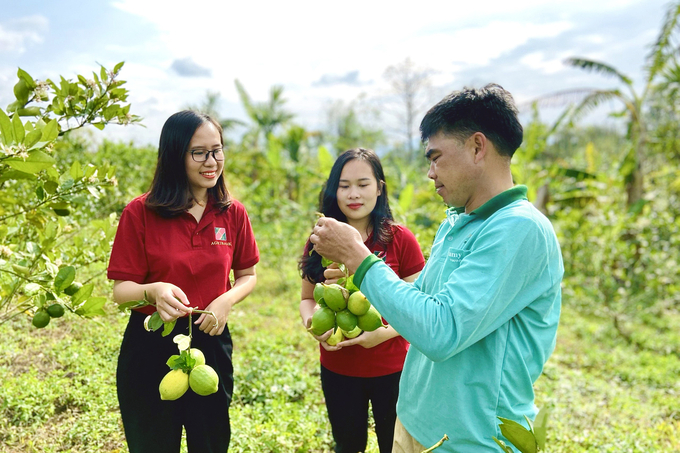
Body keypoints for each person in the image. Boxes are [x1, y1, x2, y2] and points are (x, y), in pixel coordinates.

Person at [310, 84, 564, 452]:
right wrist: (355, 284)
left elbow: (441, 331)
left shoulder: (520, 229)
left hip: (470, 439)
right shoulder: (456, 223)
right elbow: (420, 305)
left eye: (436, 157)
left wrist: (359, 258)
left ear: (478, 147)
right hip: (416, 423)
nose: (430, 173)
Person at [107, 110, 259, 453]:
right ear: (175, 156)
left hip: (210, 338)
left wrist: (226, 299)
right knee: (152, 442)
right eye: (199, 153)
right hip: (151, 343)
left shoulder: (232, 212)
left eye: (217, 150)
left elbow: (248, 275)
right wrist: (153, 290)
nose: (212, 161)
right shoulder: (141, 212)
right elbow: (121, 291)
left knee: (211, 441)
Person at [299, 148, 425, 453]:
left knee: (393, 445)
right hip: (338, 367)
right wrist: (312, 324)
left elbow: (420, 304)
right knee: (347, 444)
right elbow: (307, 298)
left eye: (363, 184)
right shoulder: (321, 238)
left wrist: (381, 334)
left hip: (392, 368)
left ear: (379, 188)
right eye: (344, 185)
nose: (353, 194)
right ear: (333, 190)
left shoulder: (400, 239)